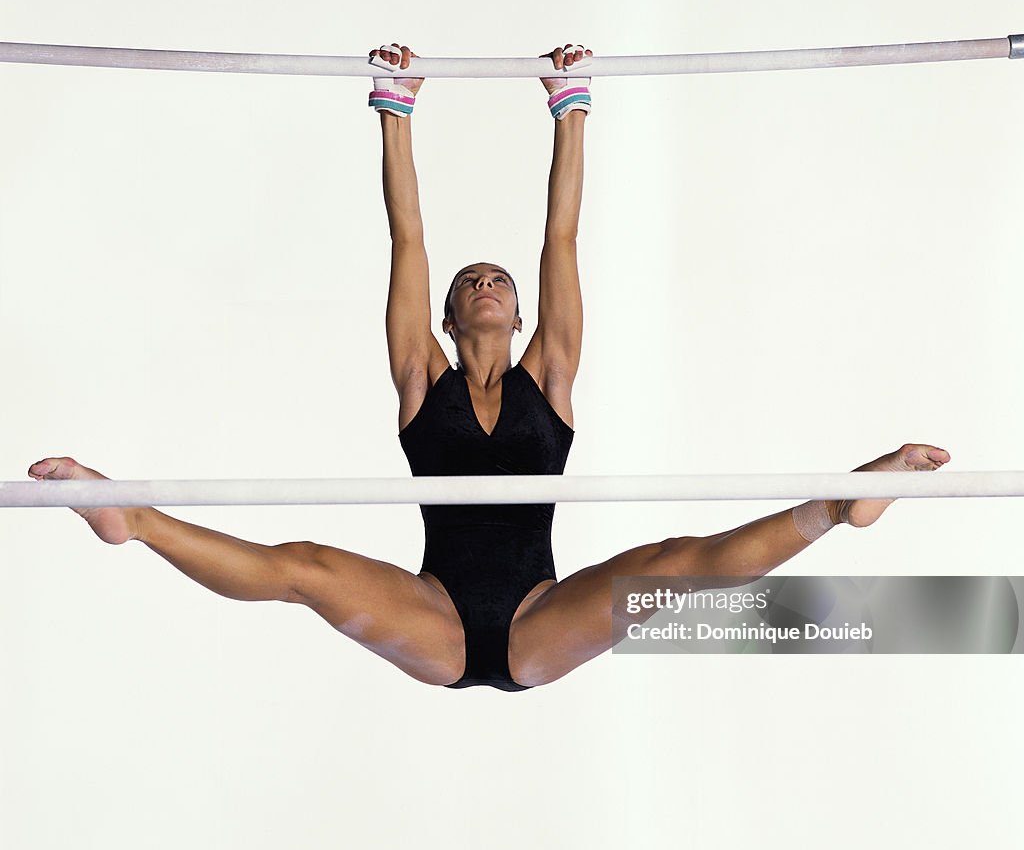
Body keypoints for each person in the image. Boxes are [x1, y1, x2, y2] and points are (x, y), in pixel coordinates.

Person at [27, 41, 951, 692]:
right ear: (447, 314)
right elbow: (409, 234)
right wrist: (396, 111)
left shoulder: (551, 370)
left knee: (677, 561)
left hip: (538, 619)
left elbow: (560, 232)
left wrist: (570, 106)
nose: (487, 283)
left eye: (499, 280)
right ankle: (135, 518)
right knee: (302, 566)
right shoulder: (417, 377)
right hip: (434, 611)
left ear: (520, 314)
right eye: (472, 280)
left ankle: (840, 501)